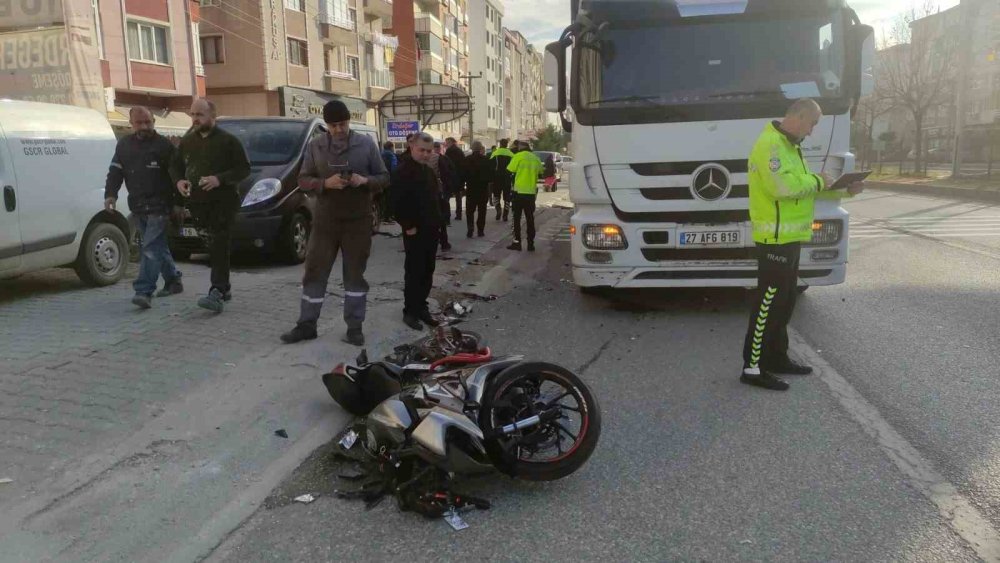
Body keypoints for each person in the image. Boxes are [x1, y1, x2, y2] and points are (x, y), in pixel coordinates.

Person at [740, 98, 864, 391]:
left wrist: (845, 191)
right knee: (767, 303)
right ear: (798, 117)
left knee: (785, 301)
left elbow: (805, 189)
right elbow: (783, 188)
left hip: (791, 237)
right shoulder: (770, 145)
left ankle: (777, 357)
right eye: (812, 124)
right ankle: (752, 368)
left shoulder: (790, 147)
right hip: (775, 239)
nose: (811, 132)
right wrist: (819, 182)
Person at [280, 100, 389, 346]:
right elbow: (303, 179)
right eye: (333, 125)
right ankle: (306, 325)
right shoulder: (316, 146)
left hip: (357, 221)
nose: (339, 129)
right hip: (325, 222)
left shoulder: (366, 144)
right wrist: (324, 184)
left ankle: (354, 327)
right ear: (327, 125)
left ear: (349, 121)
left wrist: (364, 181)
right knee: (314, 272)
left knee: (354, 276)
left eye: (343, 124)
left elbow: (384, 177)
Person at [170, 98, 251, 313]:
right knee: (213, 249)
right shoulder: (187, 141)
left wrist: (219, 179)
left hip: (223, 203)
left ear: (212, 117)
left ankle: (216, 291)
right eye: (193, 115)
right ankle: (224, 289)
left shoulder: (228, 141)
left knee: (219, 245)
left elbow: (243, 169)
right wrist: (179, 181)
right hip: (198, 204)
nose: (195, 119)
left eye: (200, 115)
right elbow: (175, 167)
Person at [105, 106, 183, 309]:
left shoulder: (164, 146)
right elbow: (115, 172)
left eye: (148, 122)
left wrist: (178, 204)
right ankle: (174, 281)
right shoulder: (124, 146)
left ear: (154, 122)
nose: (144, 126)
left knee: (149, 248)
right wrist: (110, 194)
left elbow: (179, 177)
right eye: (139, 123)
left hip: (160, 207)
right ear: (131, 123)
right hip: (139, 206)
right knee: (157, 247)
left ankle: (144, 291)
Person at [390, 132, 443, 331]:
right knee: (414, 271)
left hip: (431, 229)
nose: (425, 154)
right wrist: (408, 226)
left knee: (428, 270)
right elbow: (394, 203)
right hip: (415, 231)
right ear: (412, 147)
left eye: (429, 151)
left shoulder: (427, 171)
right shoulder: (403, 171)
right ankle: (410, 311)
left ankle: (422, 306)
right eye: (422, 150)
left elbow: (434, 199)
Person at [506, 141, 544, 252]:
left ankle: (517, 243)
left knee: (516, 218)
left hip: (518, 192)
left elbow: (510, 170)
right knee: (530, 218)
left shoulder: (518, 156)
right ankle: (530, 244)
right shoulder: (535, 158)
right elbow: (541, 172)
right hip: (531, 193)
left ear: (521, 148)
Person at [430, 142, 456, 251]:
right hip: (437, 191)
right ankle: (444, 243)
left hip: (427, 192)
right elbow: (447, 173)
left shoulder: (415, 159)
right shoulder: (440, 158)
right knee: (440, 218)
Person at [463, 141, 492, 238]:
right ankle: (480, 230)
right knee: (482, 210)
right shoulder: (486, 160)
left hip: (471, 188)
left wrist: (463, 186)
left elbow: (463, 174)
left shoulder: (467, 159)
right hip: (483, 189)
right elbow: (491, 175)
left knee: (470, 211)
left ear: (472, 148)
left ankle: (470, 229)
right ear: (480, 149)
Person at [489, 139, 515, 221]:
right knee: (507, 196)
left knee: (496, 195)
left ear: (500, 144)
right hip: (507, 178)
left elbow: (491, 167)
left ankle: (498, 210)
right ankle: (505, 214)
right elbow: (514, 168)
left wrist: (491, 178)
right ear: (507, 145)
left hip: (497, 178)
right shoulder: (511, 154)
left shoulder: (495, 153)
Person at [444, 137, 466, 221]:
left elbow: (446, 164)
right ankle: (459, 214)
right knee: (458, 196)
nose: (446, 144)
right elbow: (463, 165)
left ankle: (447, 215)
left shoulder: (449, 151)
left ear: (451, 142)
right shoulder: (460, 151)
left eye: (447, 142)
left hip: (451, 177)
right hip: (459, 177)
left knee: (447, 196)